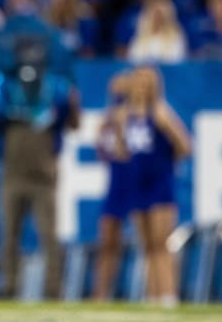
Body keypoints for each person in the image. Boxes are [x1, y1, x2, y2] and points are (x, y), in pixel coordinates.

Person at [0, 37, 80, 299]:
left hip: (44, 175)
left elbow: (74, 124)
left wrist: (72, 103)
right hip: (14, 172)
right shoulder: (6, 89)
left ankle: (53, 289)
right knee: (10, 233)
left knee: (49, 234)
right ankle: (9, 285)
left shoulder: (55, 89)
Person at [120, 66, 190, 307]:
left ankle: (168, 294)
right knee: (147, 245)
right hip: (138, 184)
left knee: (161, 243)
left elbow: (185, 145)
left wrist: (167, 162)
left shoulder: (160, 112)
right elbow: (123, 150)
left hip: (160, 184)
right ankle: (152, 294)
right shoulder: (126, 115)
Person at [92, 70, 134, 301]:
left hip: (136, 183)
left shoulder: (138, 117)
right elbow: (104, 153)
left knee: (151, 243)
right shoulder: (108, 120)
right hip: (116, 185)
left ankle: (158, 293)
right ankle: (101, 293)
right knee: (107, 243)